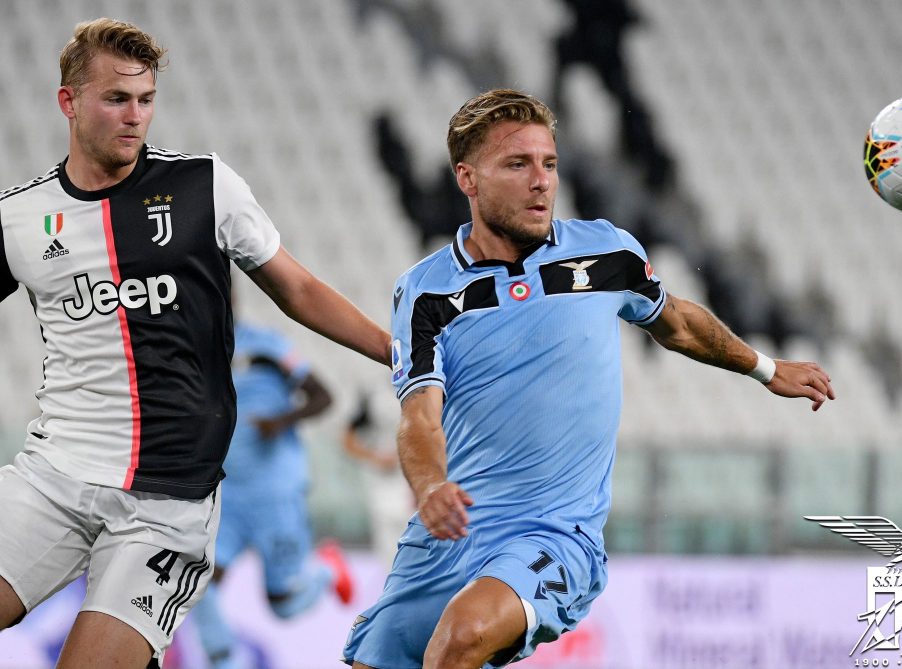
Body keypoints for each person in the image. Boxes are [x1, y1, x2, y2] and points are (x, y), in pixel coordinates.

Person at [342, 88, 835, 669]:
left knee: (463, 637)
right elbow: (419, 415)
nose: (541, 181)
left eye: (549, 163)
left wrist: (767, 368)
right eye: (517, 164)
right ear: (467, 179)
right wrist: (428, 489)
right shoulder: (425, 291)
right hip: (448, 533)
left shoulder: (606, 254)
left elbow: (675, 321)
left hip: (553, 535)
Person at [0, 18, 389, 669]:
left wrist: (395, 350)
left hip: (167, 502)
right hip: (55, 476)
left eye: (146, 99)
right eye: (116, 98)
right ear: (68, 101)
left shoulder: (205, 187)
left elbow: (297, 288)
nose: (135, 116)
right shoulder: (19, 218)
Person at [190, 317, 355, 669]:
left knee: (284, 604)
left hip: (275, 491)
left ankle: (326, 568)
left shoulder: (268, 344)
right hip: (227, 492)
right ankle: (224, 661)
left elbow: (323, 396)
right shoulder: (195, 351)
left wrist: (279, 421)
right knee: (199, 581)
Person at [342, 388, 413, 569]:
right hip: (382, 485)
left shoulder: (427, 389)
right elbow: (348, 438)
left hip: (412, 481)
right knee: (388, 546)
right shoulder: (376, 395)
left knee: (414, 541)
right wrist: (374, 457)